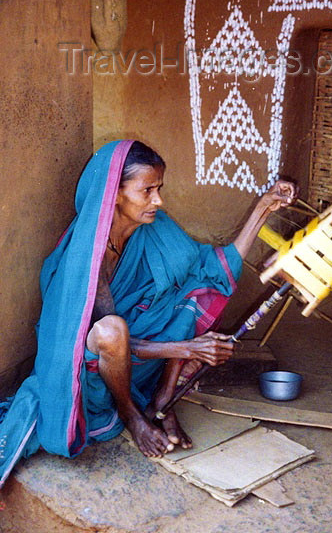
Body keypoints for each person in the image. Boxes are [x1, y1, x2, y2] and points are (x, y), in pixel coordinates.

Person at [0, 139, 297, 485]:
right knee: (113, 330)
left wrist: (264, 207)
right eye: (148, 191)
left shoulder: (152, 229)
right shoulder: (86, 259)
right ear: (115, 194)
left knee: (190, 293)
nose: (159, 200)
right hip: (92, 371)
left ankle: (163, 400)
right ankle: (132, 416)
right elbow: (108, 342)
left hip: (138, 361)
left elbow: (211, 271)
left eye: (160, 188)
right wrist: (187, 349)